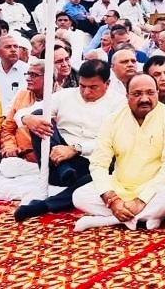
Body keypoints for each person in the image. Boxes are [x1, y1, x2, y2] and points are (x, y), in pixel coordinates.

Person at [12, 59, 126, 221]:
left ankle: (46, 205)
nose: (86, 92)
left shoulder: (120, 104)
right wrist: (27, 118)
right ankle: (63, 168)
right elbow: (20, 114)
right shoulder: (65, 95)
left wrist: (75, 149)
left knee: (109, 169)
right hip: (56, 164)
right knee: (38, 115)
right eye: (82, 86)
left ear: (107, 84)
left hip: (91, 165)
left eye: (93, 87)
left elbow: (113, 141)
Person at [71, 74, 165, 232]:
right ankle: (149, 216)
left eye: (150, 93)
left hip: (157, 189)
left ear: (158, 93)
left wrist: (141, 200)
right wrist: (112, 200)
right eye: (137, 94)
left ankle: (110, 220)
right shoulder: (113, 120)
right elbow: (98, 163)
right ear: (127, 96)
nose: (144, 99)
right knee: (79, 196)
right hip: (120, 187)